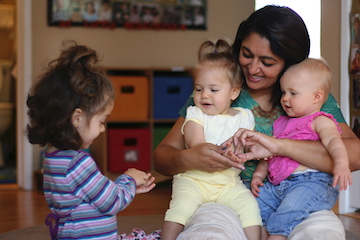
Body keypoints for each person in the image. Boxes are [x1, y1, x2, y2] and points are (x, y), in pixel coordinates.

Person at [154, 5, 360, 240]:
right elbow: (161, 157)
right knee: (209, 232)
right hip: (226, 196)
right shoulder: (215, 90)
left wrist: (279, 146)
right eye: (247, 54)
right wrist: (189, 157)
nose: (253, 68)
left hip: (298, 197)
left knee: (322, 234)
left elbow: (354, 155)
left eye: (267, 62)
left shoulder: (311, 97)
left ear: (289, 62)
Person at [26, 41, 156, 240]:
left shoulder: (53, 157)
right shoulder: (78, 162)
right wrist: (128, 179)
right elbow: (111, 202)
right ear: (77, 118)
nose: (103, 129)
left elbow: (92, 195)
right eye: (102, 121)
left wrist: (127, 188)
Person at [235, 58, 352, 240]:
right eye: (283, 92)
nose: (285, 98)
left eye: (293, 93)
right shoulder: (281, 122)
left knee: (290, 209)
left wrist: (342, 164)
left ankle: (277, 235)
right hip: (278, 184)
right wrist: (258, 176)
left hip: (312, 183)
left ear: (317, 96)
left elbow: (335, 143)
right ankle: (264, 232)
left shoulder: (321, 120)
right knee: (255, 204)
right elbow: (270, 154)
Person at [161, 39, 261, 240]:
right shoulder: (195, 114)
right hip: (195, 181)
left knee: (250, 208)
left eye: (213, 90)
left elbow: (250, 145)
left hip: (228, 183)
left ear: (234, 92)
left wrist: (246, 149)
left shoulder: (244, 116)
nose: (204, 95)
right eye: (199, 89)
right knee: (180, 209)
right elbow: (196, 143)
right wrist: (214, 149)